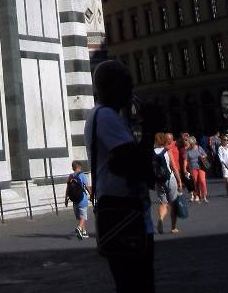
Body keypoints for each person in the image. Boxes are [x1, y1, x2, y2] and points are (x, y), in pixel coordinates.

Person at [84, 60, 156, 293]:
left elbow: (129, 162)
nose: (131, 90)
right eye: (127, 84)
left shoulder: (106, 116)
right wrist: (150, 129)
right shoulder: (105, 116)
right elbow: (135, 164)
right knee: (137, 284)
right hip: (124, 214)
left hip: (123, 212)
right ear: (111, 86)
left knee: (132, 284)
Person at [152, 133, 179, 234]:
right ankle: (173, 227)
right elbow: (174, 168)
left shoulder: (152, 152)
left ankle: (161, 219)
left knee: (163, 203)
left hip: (158, 180)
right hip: (169, 179)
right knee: (173, 203)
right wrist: (180, 181)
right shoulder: (168, 151)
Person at [63, 160, 91, 238]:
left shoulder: (70, 176)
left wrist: (66, 199)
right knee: (83, 217)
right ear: (80, 167)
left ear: (73, 168)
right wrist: (91, 195)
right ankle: (79, 228)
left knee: (79, 217)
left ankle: (83, 232)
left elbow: (68, 188)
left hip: (74, 199)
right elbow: (87, 187)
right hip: (82, 198)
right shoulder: (82, 175)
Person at [184, 135, 209, 203]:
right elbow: (186, 160)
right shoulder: (188, 150)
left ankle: (204, 196)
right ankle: (197, 195)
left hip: (201, 167)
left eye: (192, 143)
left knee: (202, 181)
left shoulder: (199, 148)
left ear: (194, 142)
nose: (191, 145)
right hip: (193, 168)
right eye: (190, 143)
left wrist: (203, 156)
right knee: (196, 182)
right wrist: (185, 169)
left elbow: (205, 154)